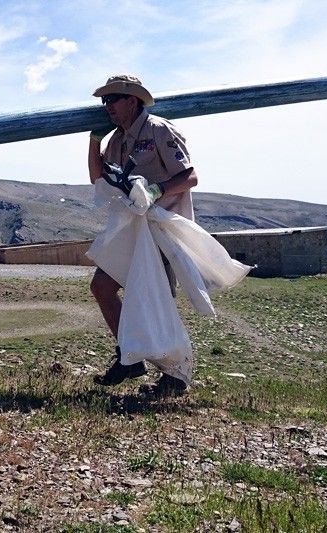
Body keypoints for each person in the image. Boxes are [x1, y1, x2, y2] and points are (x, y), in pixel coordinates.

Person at [88, 74, 198, 396]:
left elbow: (190, 176)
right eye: (104, 101)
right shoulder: (117, 141)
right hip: (133, 227)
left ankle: (175, 376)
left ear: (132, 100)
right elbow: (98, 177)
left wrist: (157, 189)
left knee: (155, 302)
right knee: (102, 287)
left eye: (112, 99)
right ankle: (130, 357)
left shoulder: (159, 130)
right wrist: (95, 141)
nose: (107, 106)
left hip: (161, 228)